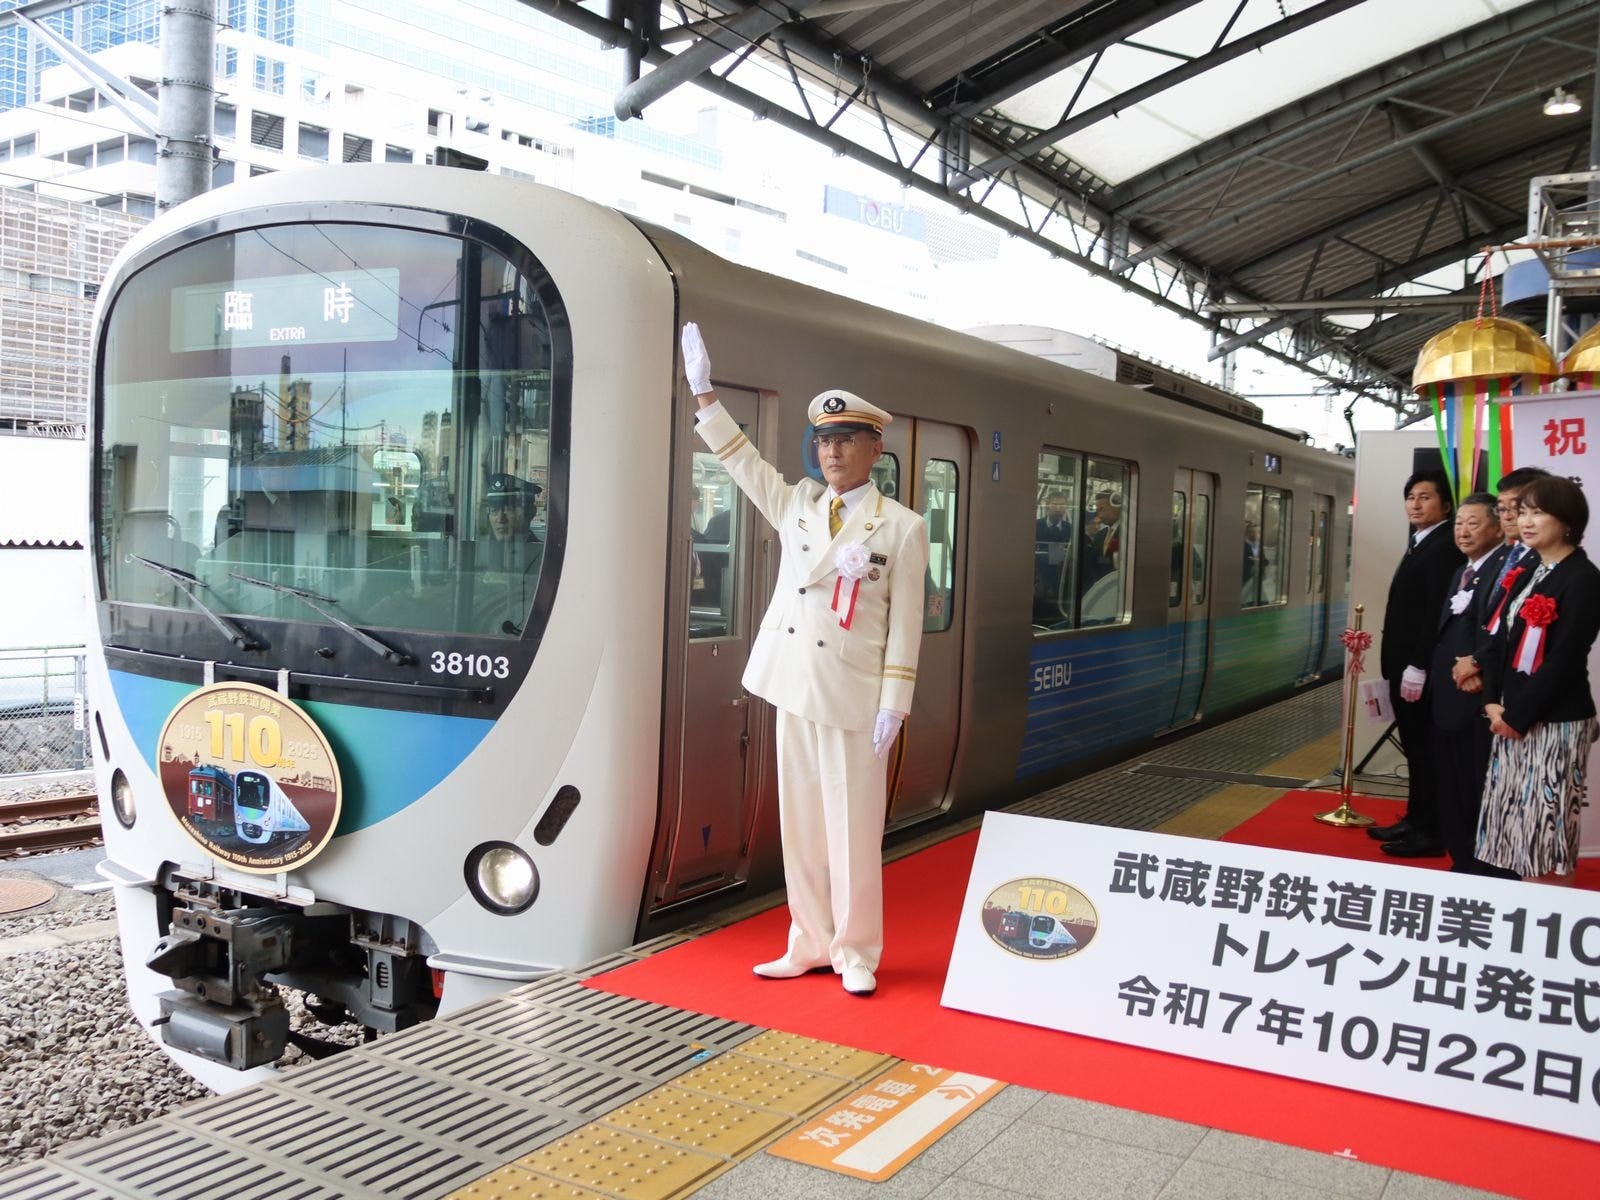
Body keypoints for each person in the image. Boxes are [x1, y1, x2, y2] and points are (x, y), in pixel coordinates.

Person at [680, 321, 928, 997]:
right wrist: (704, 396)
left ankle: (857, 949)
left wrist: (895, 704)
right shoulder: (796, 504)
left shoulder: (902, 527)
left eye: (846, 439)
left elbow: (905, 625)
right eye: (824, 440)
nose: (833, 452)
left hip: (853, 695)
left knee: (853, 830)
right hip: (793, 685)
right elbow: (743, 464)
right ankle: (810, 941)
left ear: (875, 448)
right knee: (802, 826)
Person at [1477, 475, 1600, 882]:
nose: (1526, 521)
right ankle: (1523, 910)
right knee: (1515, 832)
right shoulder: (1533, 568)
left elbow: (1564, 660)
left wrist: (1515, 717)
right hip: (1511, 717)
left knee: (1545, 835)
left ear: (1568, 521)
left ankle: (1548, 910)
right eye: (1523, 512)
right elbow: (1502, 641)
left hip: (1553, 722)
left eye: (1539, 513)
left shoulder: (1582, 578)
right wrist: (1492, 702)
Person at [1368, 469, 1463, 858]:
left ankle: (1431, 831)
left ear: (1446, 505)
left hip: (1417, 668)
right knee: (1414, 748)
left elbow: (1433, 614)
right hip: (1403, 663)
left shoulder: (1443, 547)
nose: (1416, 504)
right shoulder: (1421, 542)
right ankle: (1414, 818)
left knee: (1424, 749)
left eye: (1425, 497)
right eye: (1411, 497)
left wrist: (1419, 664)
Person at [1427, 493, 1516, 878]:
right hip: (1449, 697)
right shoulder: (1462, 570)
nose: (1462, 531)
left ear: (1497, 528)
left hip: (1474, 698)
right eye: (1459, 523)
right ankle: (1462, 860)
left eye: (1473, 523)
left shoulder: (1502, 570)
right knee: (1453, 786)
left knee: (1473, 785)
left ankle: (1478, 865)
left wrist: (1478, 665)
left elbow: (1497, 632)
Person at [1451, 466, 1551, 697]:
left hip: (1521, 686)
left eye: (1516, 508)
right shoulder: (1502, 556)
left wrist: (1477, 660)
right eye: (1501, 508)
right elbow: (1473, 616)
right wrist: (1468, 662)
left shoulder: (1547, 562)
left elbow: (1519, 629)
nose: (1506, 516)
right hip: (1482, 683)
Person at [1033, 491, 1072, 624]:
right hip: (1040, 579)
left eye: (1062, 505)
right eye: (1054, 504)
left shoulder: (1070, 529)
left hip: (1063, 579)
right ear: (1047, 505)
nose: (1058, 508)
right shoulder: (1035, 526)